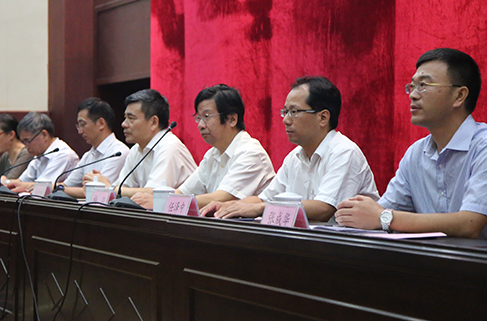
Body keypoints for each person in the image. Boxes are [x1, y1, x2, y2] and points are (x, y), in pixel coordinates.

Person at [335, 48, 487, 242]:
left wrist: (384, 218)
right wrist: (359, 214)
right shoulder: (416, 153)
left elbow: (469, 224)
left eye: (423, 85)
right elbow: (383, 210)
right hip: (431, 258)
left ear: (459, 96)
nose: (413, 95)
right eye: (412, 86)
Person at [201, 76, 379, 221]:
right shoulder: (294, 157)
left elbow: (324, 208)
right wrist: (228, 206)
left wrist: (260, 208)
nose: (286, 120)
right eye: (285, 112)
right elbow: (264, 198)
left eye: (294, 112)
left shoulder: (344, 152)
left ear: (323, 118)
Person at [131, 84, 275, 209]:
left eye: (206, 117)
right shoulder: (212, 154)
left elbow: (222, 198)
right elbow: (183, 192)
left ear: (232, 119)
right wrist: (157, 199)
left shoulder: (250, 152)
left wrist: (162, 202)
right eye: (198, 118)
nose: (200, 125)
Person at [85, 89, 197, 198]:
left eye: (131, 118)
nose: (124, 124)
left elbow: (155, 194)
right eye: (125, 118)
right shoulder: (136, 149)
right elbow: (123, 188)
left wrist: (109, 188)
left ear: (154, 122)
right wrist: (104, 186)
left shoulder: (169, 147)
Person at [60, 98, 129, 198]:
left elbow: (99, 191)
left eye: (83, 124)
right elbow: (67, 185)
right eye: (78, 126)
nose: (80, 131)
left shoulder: (119, 153)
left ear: (101, 123)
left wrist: (58, 189)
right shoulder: (88, 155)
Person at [5, 112, 79, 193]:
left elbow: (43, 188)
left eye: (27, 141)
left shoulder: (63, 154)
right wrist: (7, 182)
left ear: (44, 135)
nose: (25, 146)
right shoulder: (39, 155)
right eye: (23, 142)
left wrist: (22, 186)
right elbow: (21, 181)